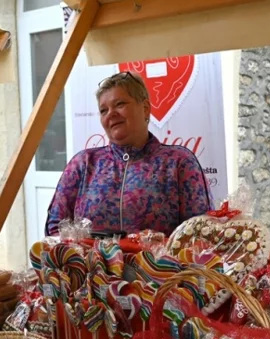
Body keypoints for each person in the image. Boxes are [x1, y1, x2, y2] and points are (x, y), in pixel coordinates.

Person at [45, 71, 213, 236]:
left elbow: (200, 232)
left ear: (146, 108)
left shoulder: (179, 162)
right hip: (87, 264)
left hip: (158, 264)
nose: (111, 114)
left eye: (120, 104)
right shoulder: (83, 163)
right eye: (103, 110)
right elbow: (54, 230)